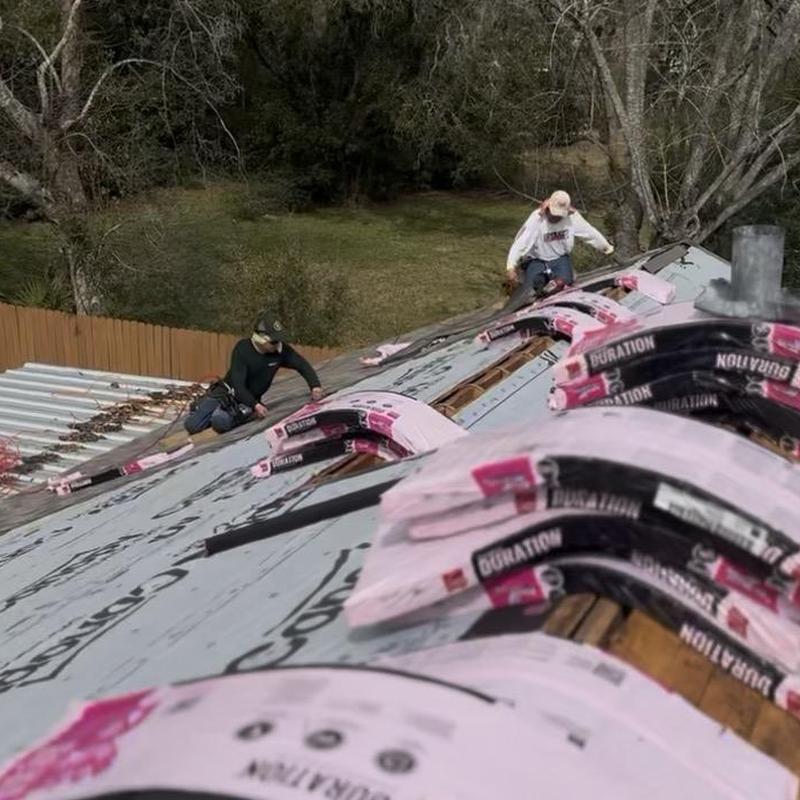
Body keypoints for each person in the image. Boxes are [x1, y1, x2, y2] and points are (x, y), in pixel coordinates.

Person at [184, 312, 324, 435]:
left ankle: (230, 415)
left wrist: (315, 386)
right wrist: (255, 405)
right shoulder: (243, 350)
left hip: (248, 402)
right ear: (260, 339)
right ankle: (212, 411)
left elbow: (302, 365)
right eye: (274, 341)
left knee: (220, 422)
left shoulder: (280, 351)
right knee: (192, 425)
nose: (278, 344)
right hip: (228, 392)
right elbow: (238, 385)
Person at [506, 189, 615, 293]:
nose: (556, 217)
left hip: (560, 258)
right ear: (548, 208)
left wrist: (606, 248)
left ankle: (553, 289)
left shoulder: (572, 218)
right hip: (537, 260)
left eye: (559, 215)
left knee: (564, 282)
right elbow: (521, 243)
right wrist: (511, 267)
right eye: (554, 214)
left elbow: (589, 233)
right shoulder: (537, 218)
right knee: (532, 287)